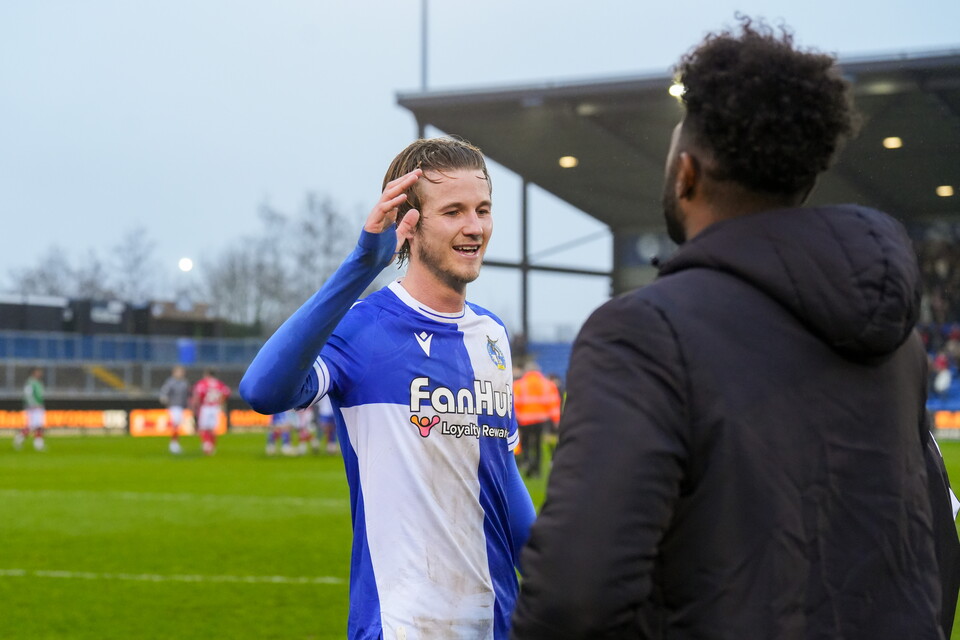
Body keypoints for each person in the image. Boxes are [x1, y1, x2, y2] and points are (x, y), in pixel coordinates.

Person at [512, 17, 959, 640]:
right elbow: (934, 548)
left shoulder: (642, 334)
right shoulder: (899, 344)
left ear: (686, 175)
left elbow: (573, 600)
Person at [240, 136, 535, 639]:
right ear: (409, 224)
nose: (475, 227)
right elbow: (262, 391)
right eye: (454, 211)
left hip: (498, 625)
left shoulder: (492, 335)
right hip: (401, 627)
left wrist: (574, 586)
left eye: (483, 210)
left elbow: (503, 481)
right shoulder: (364, 328)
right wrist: (361, 265)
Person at [512, 359, 561, 478]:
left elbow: (514, 403)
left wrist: (514, 419)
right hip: (540, 420)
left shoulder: (519, 384)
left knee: (525, 443)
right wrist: (556, 420)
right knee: (538, 444)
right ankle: (537, 469)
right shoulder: (548, 384)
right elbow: (553, 403)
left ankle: (527, 463)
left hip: (524, 420)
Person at [190, 368, 230, 456]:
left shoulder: (203, 383)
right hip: (215, 407)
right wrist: (221, 402)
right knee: (212, 429)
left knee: (204, 428)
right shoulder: (219, 383)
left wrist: (195, 405)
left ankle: (206, 445)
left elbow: (198, 395)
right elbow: (227, 392)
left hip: (206, 407)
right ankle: (212, 446)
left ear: (206, 374)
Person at [159, 365, 190, 454]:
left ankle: (175, 443)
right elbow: (164, 392)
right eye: (179, 372)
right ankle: (173, 444)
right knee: (175, 425)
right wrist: (164, 399)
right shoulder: (170, 382)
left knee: (177, 426)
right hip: (173, 406)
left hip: (181, 406)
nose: (181, 374)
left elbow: (187, 394)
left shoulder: (184, 383)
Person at [15, 367, 45, 451]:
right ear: (33, 373)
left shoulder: (37, 382)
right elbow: (28, 395)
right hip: (33, 408)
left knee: (38, 426)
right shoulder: (30, 382)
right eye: (37, 372)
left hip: (38, 406)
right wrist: (33, 404)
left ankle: (38, 444)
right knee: (31, 426)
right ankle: (19, 439)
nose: (39, 374)